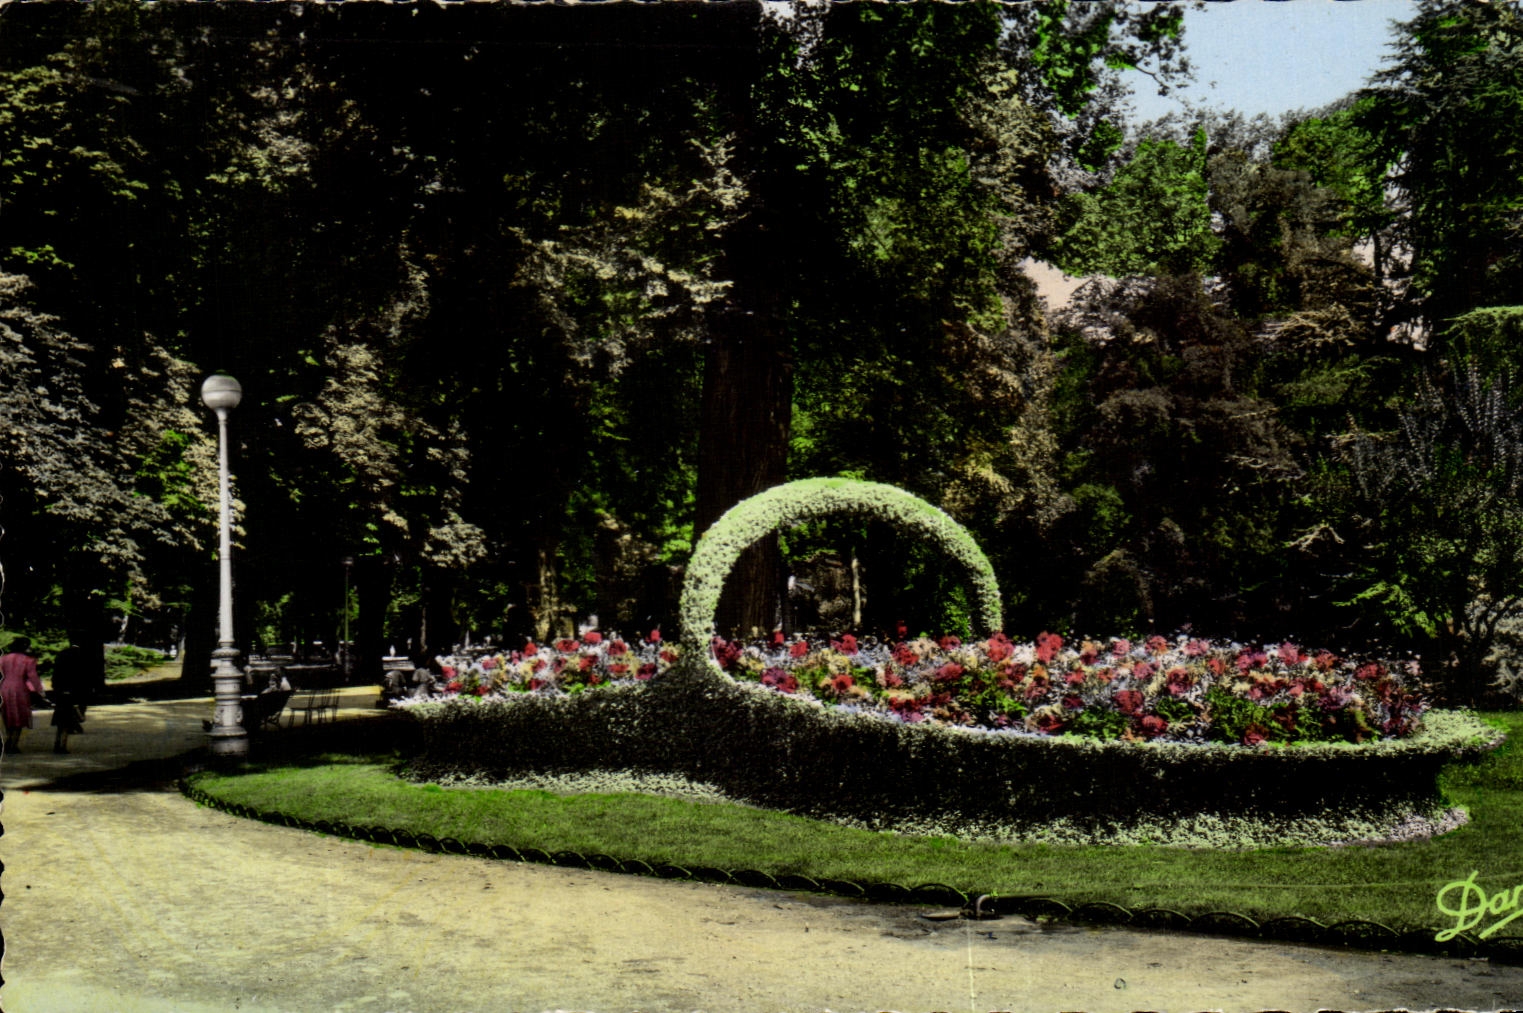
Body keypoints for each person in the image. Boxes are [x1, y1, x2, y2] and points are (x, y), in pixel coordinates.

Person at [0, 637, 46, 753]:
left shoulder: (3, 659)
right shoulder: (28, 660)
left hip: (4, 688)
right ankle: (13, 744)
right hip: (19, 688)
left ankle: (8, 739)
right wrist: (40, 690)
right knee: (19, 716)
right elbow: (33, 677)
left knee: (8, 715)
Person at [49, 644, 90, 754]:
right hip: (71, 692)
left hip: (60, 692)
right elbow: (81, 677)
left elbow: (55, 678)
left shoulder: (61, 657)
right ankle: (62, 745)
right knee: (66, 722)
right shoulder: (79, 658)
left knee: (60, 721)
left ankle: (57, 743)